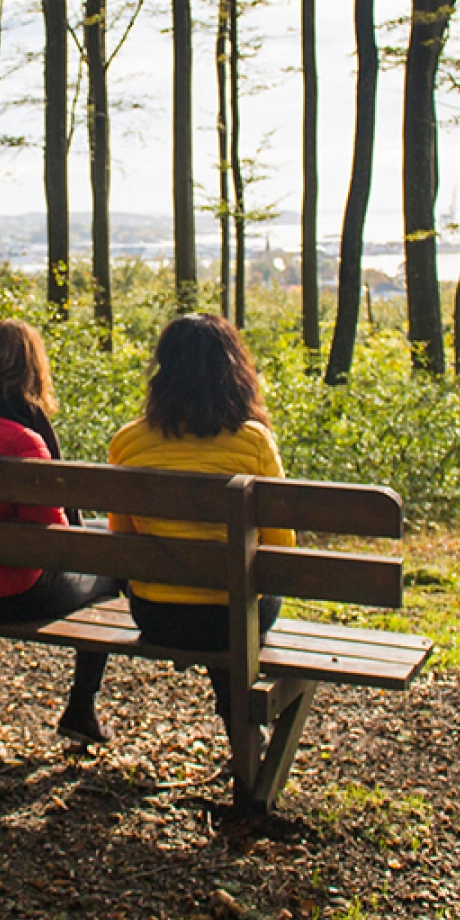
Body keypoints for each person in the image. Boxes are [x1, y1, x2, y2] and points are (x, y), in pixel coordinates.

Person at [0, 319, 119, 745]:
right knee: (112, 559)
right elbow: (52, 539)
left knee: (100, 543)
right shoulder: (24, 440)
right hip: (14, 594)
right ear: (33, 371)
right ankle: (81, 709)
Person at [107, 313, 294, 734]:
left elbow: (122, 540)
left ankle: (238, 724)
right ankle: (243, 730)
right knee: (238, 599)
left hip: (156, 614)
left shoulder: (128, 442)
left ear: (163, 372)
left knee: (223, 601)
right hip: (232, 619)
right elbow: (281, 546)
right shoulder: (253, 442)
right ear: (233, 371)